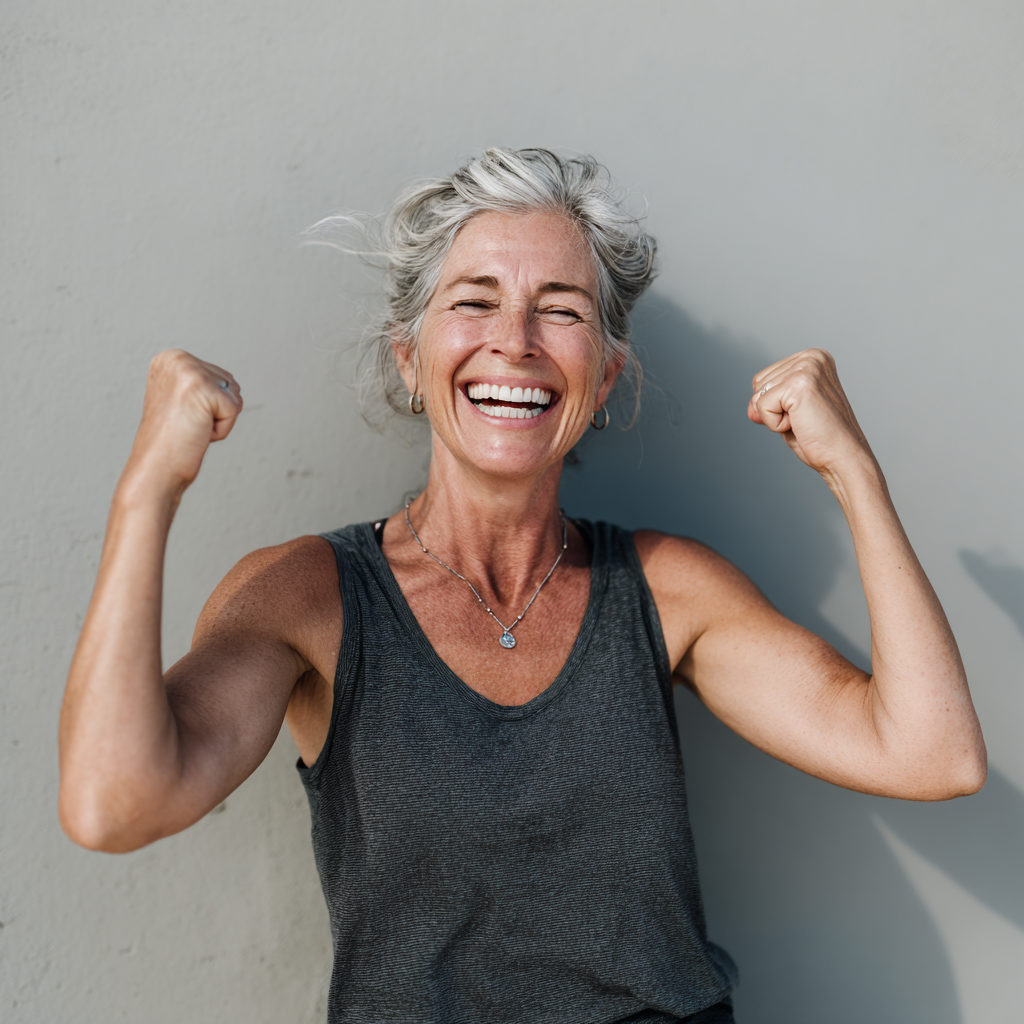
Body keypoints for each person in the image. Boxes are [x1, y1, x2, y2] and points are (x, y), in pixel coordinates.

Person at [59, 149, 986, 1024]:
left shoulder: (666, 589)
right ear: (407, 360)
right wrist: (148, 492)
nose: (515, 341)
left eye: (563, 309)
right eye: (474, 301)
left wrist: (854, 474)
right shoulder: (311, 595)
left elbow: (930, 754)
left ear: (607, 373)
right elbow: (113, 804)